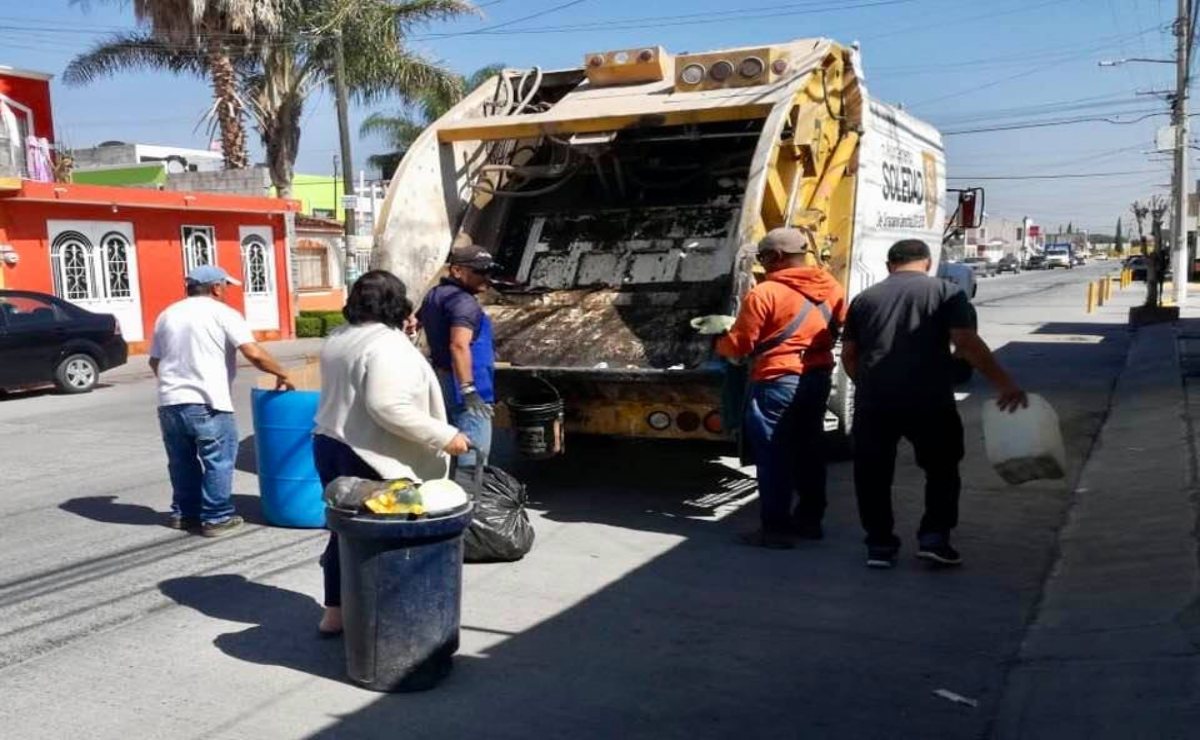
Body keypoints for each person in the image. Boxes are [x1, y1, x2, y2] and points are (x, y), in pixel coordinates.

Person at [840, 239, 1027, 570]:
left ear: (889, 265)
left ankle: (879, 545)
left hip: (875, 401)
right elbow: (965, 342)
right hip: (929, 399)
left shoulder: (864, 299)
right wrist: (1004, 383)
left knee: (872, 474)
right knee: (942, 469)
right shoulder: (946, 292)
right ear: (927, 263)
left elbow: (850, 355)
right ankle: (934, 539)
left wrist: (867, 385)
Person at [312, 270, 471, 636]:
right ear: (398, 304)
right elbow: (388, 406)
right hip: (372, 455)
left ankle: (335, 612)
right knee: (384, 541)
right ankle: (385, 621)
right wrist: (446, 436)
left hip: (331, 443)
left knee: (345, 532)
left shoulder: (340, 337)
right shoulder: (386, 345)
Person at [714, 227, 847, 549]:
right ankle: (810, 522)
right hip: (816, 377)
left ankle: (775, 529)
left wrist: (720, 342)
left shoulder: (765, 293)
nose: (762, 264)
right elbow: (842, 325)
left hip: (777, 380)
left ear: (775, 256)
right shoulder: (831, 286)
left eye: (763, 257)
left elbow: (741, 344)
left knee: (774, 455)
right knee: (809, 451)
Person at [150, 265, 294, 537]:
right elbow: (253, 353)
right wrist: (283, 372)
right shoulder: (223, 314)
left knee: (181, 461)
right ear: (216, 287)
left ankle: (185, 514)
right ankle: (216, 517)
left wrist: (175, 385)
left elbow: (154, 361)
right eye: (225, 286)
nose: (226, 291)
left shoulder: (167, 315)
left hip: (170, 402)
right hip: (208, 401)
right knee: (218, 460)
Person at [417, 245, 498, 469]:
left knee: (452, 450)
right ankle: (470, 490)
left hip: (443, 380)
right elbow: (459, 345)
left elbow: (414, 321)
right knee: (473, 457)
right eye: (480, 272)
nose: (487, 277)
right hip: (465, 385)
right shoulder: (463, 302)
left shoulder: (434, 295)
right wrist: (468, 390)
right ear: (457, 271)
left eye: (489, 271)